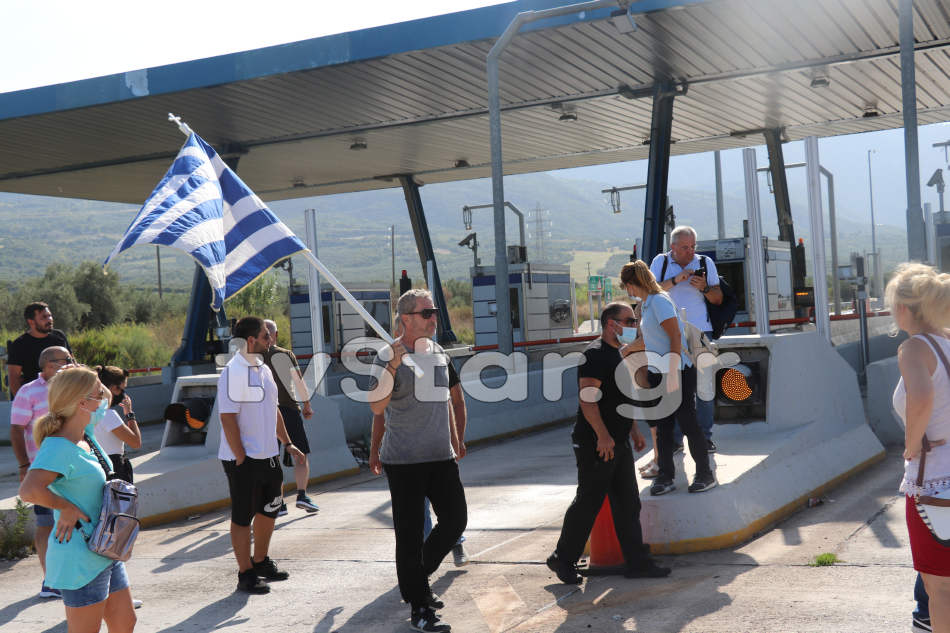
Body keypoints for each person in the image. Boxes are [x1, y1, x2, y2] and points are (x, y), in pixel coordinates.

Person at [546, 301, 671, 585]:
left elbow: (621, 398)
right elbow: (587, 399)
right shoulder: (595, 355)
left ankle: (637, 562)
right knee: (588, 502)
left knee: (628, 503)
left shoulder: (619, 354)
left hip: (617, 441)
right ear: (611, 324)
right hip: (596, 442)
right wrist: (603, 436)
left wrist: (633, 432)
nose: (633, 325)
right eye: (628, 321)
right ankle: (562, 559)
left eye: (633, 320)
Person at [369, 289, 466, 633]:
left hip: (441, 456)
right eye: (427, 312)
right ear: (406, 319)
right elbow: (377, 407)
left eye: (434, 311)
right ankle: (420, 606)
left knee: (455, 522)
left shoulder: (439, 352)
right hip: (405, 461)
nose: (433, 317)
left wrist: (456, 439)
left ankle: (415, 578)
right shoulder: (388, 355)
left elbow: (450, 401)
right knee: (409, 535)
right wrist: (393, 366)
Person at [18, 365, 136, 632]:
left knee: (124, 622)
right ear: (82, 403)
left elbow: (106, 398)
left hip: (106, 548)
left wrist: (87, 373)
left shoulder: (86, 435)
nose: (103, 398)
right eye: (95, 392)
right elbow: (29, 490)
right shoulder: (59, 446)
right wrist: (65, 507)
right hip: (81, 556)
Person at [218, 316, 306, 594]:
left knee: (269, 510)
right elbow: (228, 418)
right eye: (266, 336)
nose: (271, 340)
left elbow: (274, 409)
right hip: (243, 459)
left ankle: (261, 561)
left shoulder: (263, 369)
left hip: (269, 455)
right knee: (243, 516)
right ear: (252, 340)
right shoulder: (233, 372)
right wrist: (241, 456)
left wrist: (287, 443)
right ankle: (245, 573)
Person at [886, 262, 950, 633]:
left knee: (938, 587)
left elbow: (922, 396)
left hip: (934, 483)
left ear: (906, 308)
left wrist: (912, 445)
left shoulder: (913, 348)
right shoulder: (946, 342)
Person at [620, 260, 716, 496]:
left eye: (626, 286)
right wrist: (628, 350)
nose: (627, 291)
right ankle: (665, 475)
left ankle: (705, 473)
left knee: (687, 422)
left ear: (633, 284)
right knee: (663, 427)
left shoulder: (660, 302)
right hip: (659, 370)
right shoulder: (648, 303)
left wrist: (673, 371)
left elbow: (675, 336)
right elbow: (654, 338)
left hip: (676, 370)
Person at [650, 226, 723, 453]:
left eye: (693, 246)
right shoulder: (660, 263)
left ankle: (704, 437)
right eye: (685, 247)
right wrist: (675, 280)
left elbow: (718, 299)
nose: (690, 251)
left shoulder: (704, 263)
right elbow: (650, 292)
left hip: (700, 333)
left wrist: (706, 287)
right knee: (673, 388)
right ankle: (674, 440)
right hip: (669, 334)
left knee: (704, 388)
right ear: (672, 247)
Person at [9, 346, 73, 599]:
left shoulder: (70, 387)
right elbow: (16, 430)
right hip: (44, 471)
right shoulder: (28, 392)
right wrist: (24, 466)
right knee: (47, 524)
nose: (70, 363)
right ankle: (51, 581)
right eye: (65, 360)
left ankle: (75, 577)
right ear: (48, 365)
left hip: (72, 469)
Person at [261, 319, 319, 515]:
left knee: (272, 459)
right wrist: (307, 405)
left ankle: (279, 503)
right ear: (275, 335)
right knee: (300, 454)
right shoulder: (285, 355)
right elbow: (299, 382)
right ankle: (302, 495)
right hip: (288, 410)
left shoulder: (253, 357)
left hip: (265, 414)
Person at [7, 301, 71, 397]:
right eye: (44, 317)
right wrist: (22, 402)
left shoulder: (59, 337)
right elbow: (13, 378)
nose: (49, 320)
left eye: (50, 315)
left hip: (62, 393)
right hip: (35, 396)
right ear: (31, 321)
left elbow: (72, 362)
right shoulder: (19, 344)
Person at [93, 366, 142, 484]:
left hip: (95, 467)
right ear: (112, 388)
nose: (123, 394)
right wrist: (129, 414)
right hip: (115, 468)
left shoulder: (85, 411)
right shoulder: (108, 415)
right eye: (121, 389)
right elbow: (135, 443)